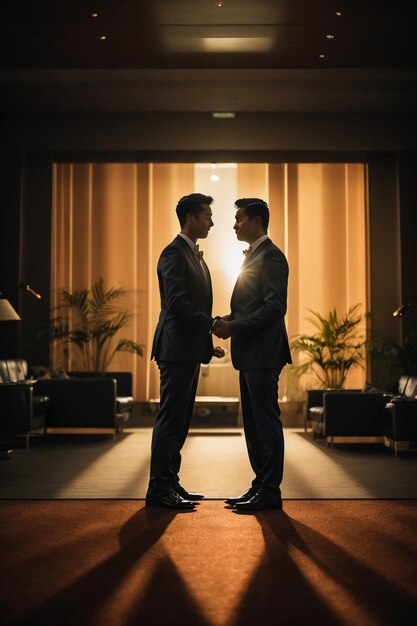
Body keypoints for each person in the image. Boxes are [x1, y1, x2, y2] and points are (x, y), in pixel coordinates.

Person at [146, 193, 224, 509]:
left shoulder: (194, 255)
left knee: (180, 421)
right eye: (207, 215)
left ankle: (170, 482)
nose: (212, 221)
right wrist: (213, 323)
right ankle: (158, 489)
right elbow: (178, 305)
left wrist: (208, 344)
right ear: (190, 218)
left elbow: (195, 304)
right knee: (170, 420)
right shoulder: (173, 254)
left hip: (188, 350)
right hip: (175, 349)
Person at [213, 198, 292, 511]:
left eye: (239, 219)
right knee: (254, 424)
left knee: (266, 423)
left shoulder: (271, 257)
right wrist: (228, 320)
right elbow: (248, 307)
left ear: (257, 220)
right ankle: (261, 484)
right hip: (250, 353)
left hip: (263, 353)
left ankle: (270, 492)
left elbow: (274, 308)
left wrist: (234, 326)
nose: (234, 225)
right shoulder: (254, 256)